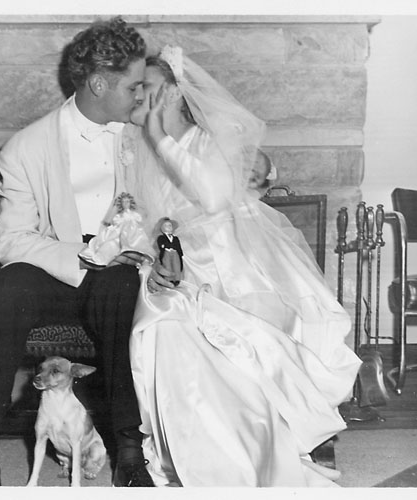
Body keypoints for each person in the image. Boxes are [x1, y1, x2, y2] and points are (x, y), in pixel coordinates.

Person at [121, 46, 362, 486]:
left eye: (148, 89)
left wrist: (159, 136)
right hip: (178, 264)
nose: (137, 98)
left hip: (233, 256)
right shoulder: (129, 147)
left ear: (174, 94)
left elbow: (213, 199)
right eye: (134, 89)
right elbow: (131, 217)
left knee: (248, 324)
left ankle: (280, 433)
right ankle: (208, 446)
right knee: (169, 326)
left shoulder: (213, 136)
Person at [0, 17, 155, 487]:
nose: (142, 96)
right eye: (135, 86)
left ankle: (129, 452)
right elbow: (12, 240)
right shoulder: (25, 148)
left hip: (117, 276)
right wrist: (80, 257)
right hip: (57, 267)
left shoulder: (140, 137)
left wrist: (134, 253)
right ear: (99, 84)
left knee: (121, 286)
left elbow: (161, 215)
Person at [79, 192, 154, 267]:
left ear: (131, 202)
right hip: (119, 234)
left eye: (127, 201)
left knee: (135, 247)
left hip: (133, 234)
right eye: (123, 202)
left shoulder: (134, 214)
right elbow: (115, 222)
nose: (125, 204)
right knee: (110, 244)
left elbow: (139, 220)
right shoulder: (120, 216)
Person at [155, 217, 183, 284]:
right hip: (166, 253)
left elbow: (178, 246)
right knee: (167, 265)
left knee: (176, 265)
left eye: (170, 225)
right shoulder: (161, 238)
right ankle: (169, 279)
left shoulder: (175, 238)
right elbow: (161, 245)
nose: (168, 227)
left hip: (175, 252)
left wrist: (181, 254)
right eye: (166, 225)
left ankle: (177, 279)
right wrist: (166, 246)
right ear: (162, 228)